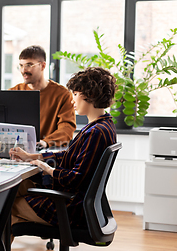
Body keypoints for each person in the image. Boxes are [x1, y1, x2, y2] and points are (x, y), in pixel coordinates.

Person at [9, 67, 117, 229]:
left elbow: (73, 179)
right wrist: (32, 157)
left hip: (70, 208)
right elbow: (69, 156)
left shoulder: (95, 133)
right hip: (74, 200)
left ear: (91, 95)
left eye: (75, 94)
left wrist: (43, 166)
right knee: (13, 189)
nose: (72, 100)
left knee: (3, 206)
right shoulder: (103, 125)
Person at [9, 45, 76, 149]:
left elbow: (66, 128)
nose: (23, 70)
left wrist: (46, 142)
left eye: (29, 65)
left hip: (47, 152)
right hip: (16, 151)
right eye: (21, 65)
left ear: (43, 66)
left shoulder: (62, 94)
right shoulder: (13, 93)